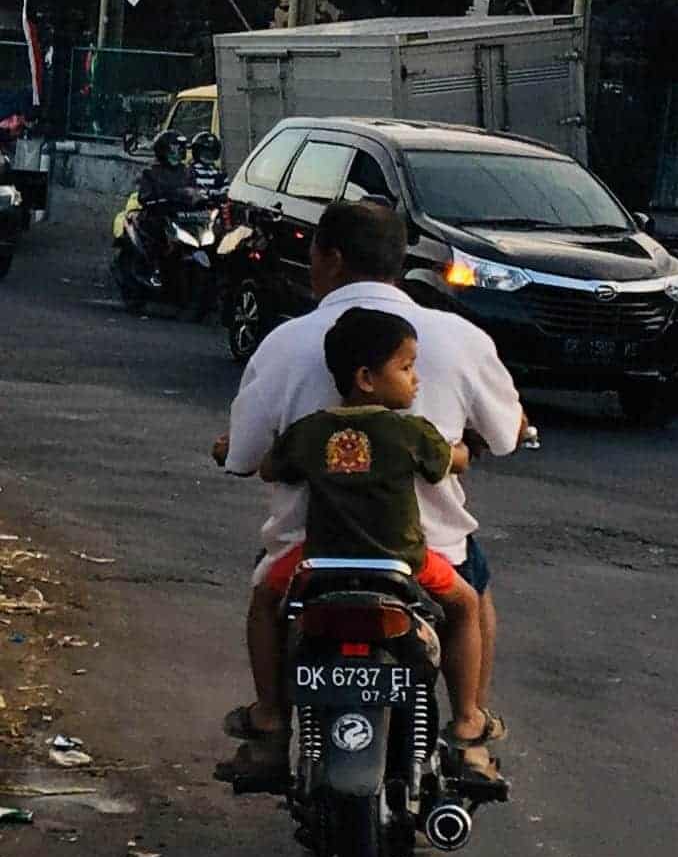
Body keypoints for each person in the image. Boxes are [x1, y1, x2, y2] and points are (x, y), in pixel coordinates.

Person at [213, 201, 525, 784]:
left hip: (308, 554)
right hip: (421, 555)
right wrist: (471, 447)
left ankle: (271, 726)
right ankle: (470, 732)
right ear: (399, 261)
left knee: (264, 599)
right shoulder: (458, 339)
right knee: (471, 593)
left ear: (328, 257)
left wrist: (239, 452)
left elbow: (248, 459)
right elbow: (504, 437)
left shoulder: (285, 343)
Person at [137, 129, 201, 288]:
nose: (178, 152)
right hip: (158, 215)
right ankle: (155, 270)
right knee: (160, 234)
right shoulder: (151, 172)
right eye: (174, 148)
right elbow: (145, 197)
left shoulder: (187, 172)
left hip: (181, 216)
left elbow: (195, 191)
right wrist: (169, 196)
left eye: (180, 148)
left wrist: (199, 197)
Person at [187, 131, 228, 196]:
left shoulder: (218, 173)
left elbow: (226, 190)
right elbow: (189, 191)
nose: (209, 155)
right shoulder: (191, 172)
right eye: (205, 152)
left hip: (216, 205)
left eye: (212, 152)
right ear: (196, 152)